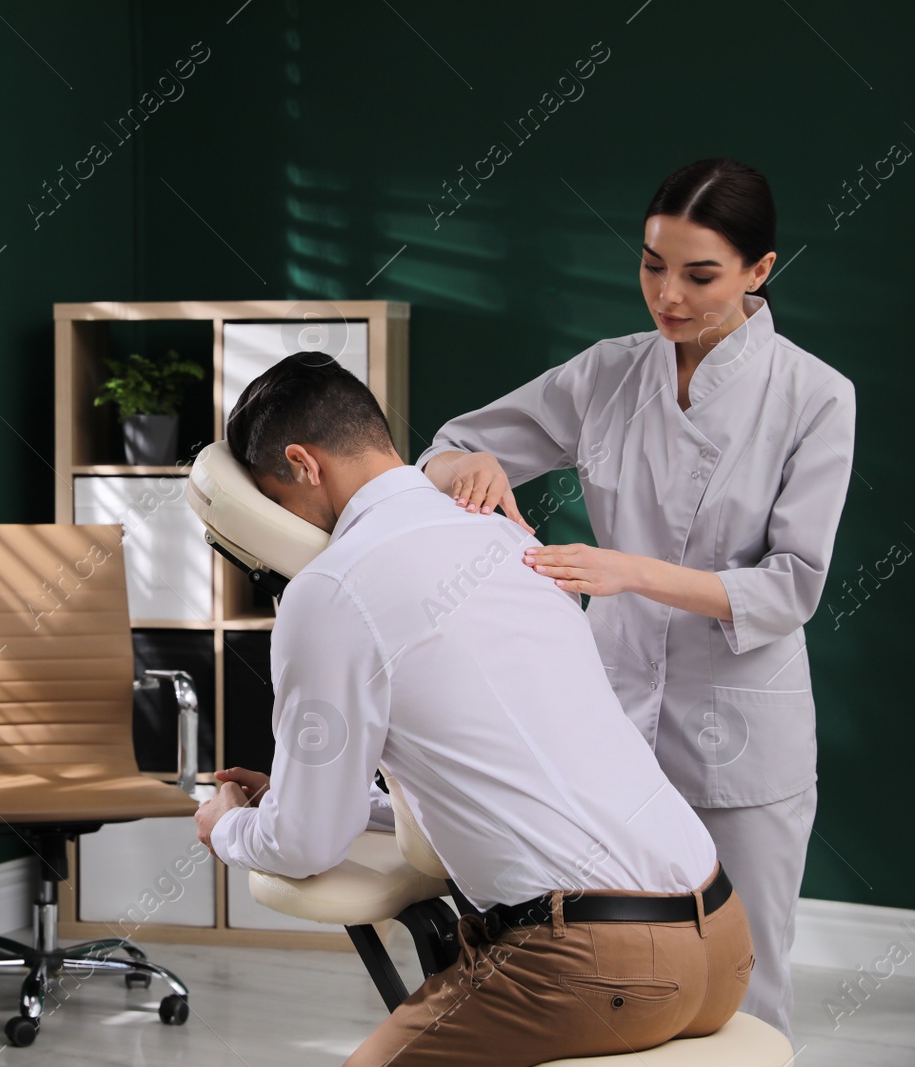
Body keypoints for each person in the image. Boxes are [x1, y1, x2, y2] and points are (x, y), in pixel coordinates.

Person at [195, 353, 753, 1067]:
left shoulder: (331, 587)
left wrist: (229, 824)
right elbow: (493, 761)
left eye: (275, 497)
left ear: (303, 464)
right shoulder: (508, 534)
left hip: (601, 965)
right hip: (723, 936)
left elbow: (304, 846)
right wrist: (320, 797)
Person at [414, 158, 854, 1039]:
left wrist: (629, 571)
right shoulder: (607, 374)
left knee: (746, 979)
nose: (669, 296)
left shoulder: (815, 395)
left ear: (760, 271)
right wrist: (467, 463)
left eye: (700, 275)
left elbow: (793, 584)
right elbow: (451, 444)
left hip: (742, 733)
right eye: (653, 265)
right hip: (605, 719)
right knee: (616, 968)